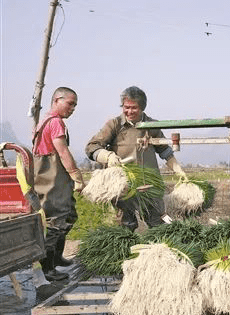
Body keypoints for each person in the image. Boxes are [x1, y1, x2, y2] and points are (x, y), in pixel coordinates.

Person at [85, 86, 186, 231]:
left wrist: (180, 172)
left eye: (134, 108)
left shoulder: (152, 126)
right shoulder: (114, 125)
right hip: (124, 187)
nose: (129, 111)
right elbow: (91, 147)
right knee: (126, 225)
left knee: (158, 223)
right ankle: (127, 251)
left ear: (142, 108)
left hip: (150, 185)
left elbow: (166, 152)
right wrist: (107, 156)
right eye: (126, 107)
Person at [33, 87, 85, 281]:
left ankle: (57, 258)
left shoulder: (44, 121)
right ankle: (48, 268)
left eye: (75, 105)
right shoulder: (55, 123)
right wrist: (76, 176)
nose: (73, 108)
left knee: (69, 215)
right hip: (52, 178)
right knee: (56, 222)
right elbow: (62, 152)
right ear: (56, 100)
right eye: (70, 103)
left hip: (51, 176)